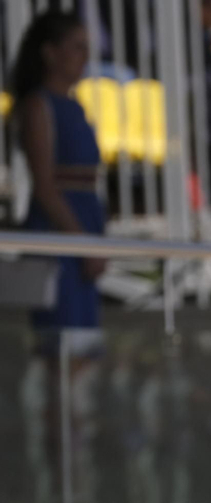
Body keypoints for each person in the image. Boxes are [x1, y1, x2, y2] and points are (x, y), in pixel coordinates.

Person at [11, 11, 106, 332]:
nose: (85, 56)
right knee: (62, 344)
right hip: (61, 232)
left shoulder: (76, 106)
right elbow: (45, 186)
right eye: (77, 46)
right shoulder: (39, 105)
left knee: (85, 344)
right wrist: (84, 245)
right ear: (50, 53)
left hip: (83, 224)